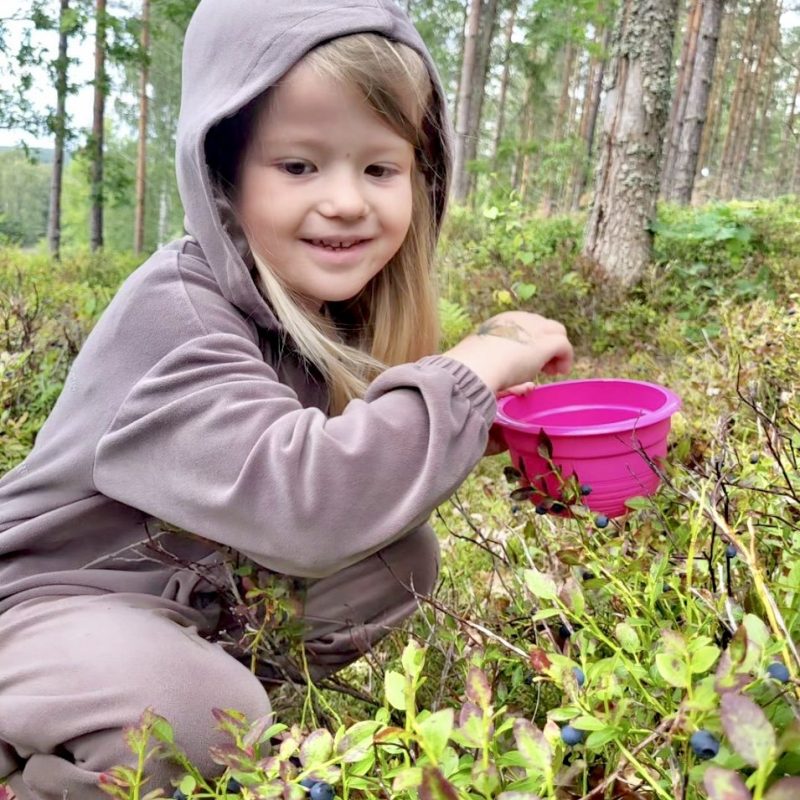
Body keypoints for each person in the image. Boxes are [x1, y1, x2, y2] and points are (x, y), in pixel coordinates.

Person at [0, 1, 573, 797]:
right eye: (299, 166)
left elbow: (336, 486)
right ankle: (63, 755)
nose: (345, 200)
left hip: (170, 598)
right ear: (224, 176)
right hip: (32, 609)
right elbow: (306, 507)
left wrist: (475, 428)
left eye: (380, 168)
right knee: (193, 715)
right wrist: (470, 370)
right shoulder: (179, 315)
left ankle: (185, 711)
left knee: (396, 559)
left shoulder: (311, 308)